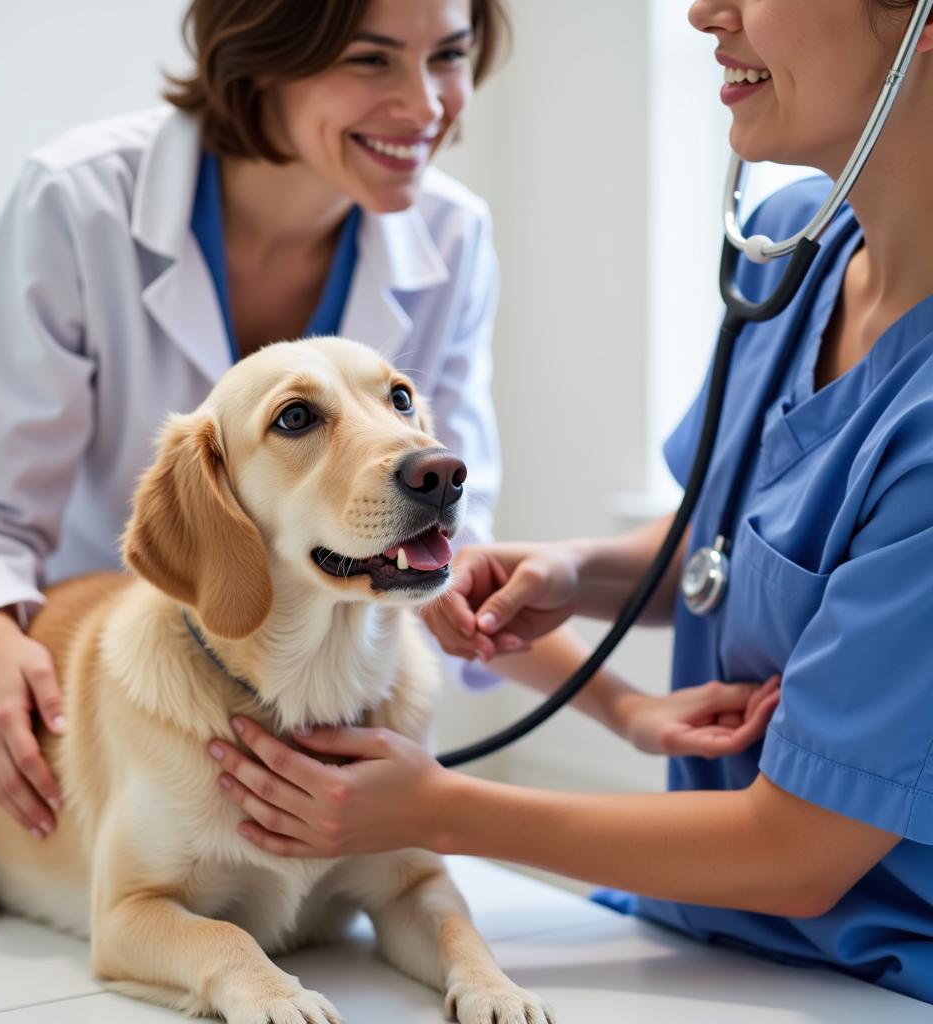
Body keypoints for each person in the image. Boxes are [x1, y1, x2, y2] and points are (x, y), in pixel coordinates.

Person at [202, 0, 933, 1004]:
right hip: (698, 931)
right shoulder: (791, 253)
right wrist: (580, 571)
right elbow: (743, 540)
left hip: (870, 972)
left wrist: (435, 809)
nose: (702, 11)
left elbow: (799, 852)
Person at [0, 0, 513, 841]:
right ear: (262, 53)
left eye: (448, 55)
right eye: (371, 60)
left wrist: (628, 710)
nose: (425, 104)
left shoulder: (455, 232)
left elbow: (447, 534)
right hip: (107, 664)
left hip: (314, 668)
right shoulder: (78, 200)